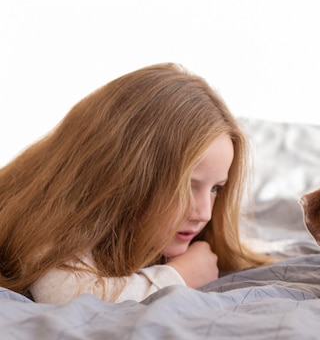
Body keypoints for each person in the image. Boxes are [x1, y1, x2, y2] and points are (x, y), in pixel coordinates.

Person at [0, 63, 271, 303]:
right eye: (187, 185)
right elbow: (70, 299)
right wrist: (179, 275)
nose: (204, 213)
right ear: (125, 175)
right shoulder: (52, 217)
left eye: (216, 189)